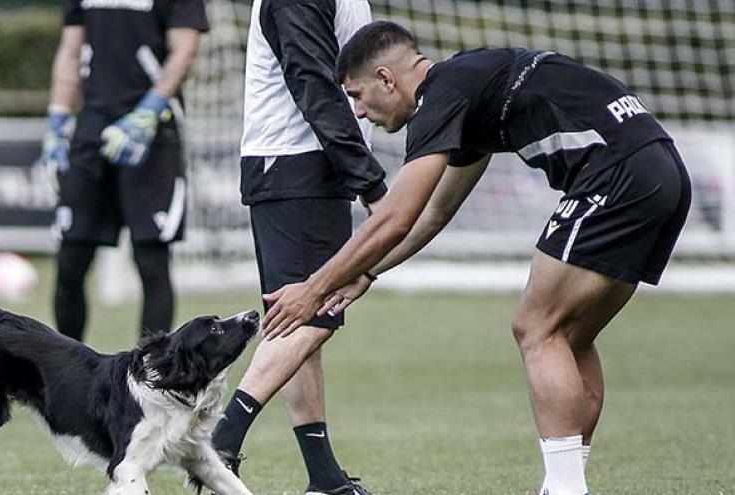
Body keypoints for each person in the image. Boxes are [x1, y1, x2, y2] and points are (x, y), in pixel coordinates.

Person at [261, 21, 691, 495]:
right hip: (664, 169)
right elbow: (434, 213)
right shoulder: (469, 88)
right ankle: (562, 484)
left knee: (535, 327)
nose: (360, 113)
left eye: (359, 96)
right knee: (570, 335)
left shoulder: (441, 96)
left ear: (387, 79)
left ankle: (566, 489)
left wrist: (313, 288)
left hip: (617, 174)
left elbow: (397, 217)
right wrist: (365, 271)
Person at [209, 1, 387, 494]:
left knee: (299, 324)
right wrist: (371, 184)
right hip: (300, 165)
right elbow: (313, 82)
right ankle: (218, 446)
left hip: (294, 166)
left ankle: (324, 478)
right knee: (313, 315)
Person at [40, 0, 208, 340]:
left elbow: (185, 50)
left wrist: (150, 109)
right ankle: (65, 372)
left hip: (153, 132)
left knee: (151, 262)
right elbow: (71, 49)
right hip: (91, 131)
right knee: (71, 260)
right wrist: (57, 119)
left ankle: (150, 377)